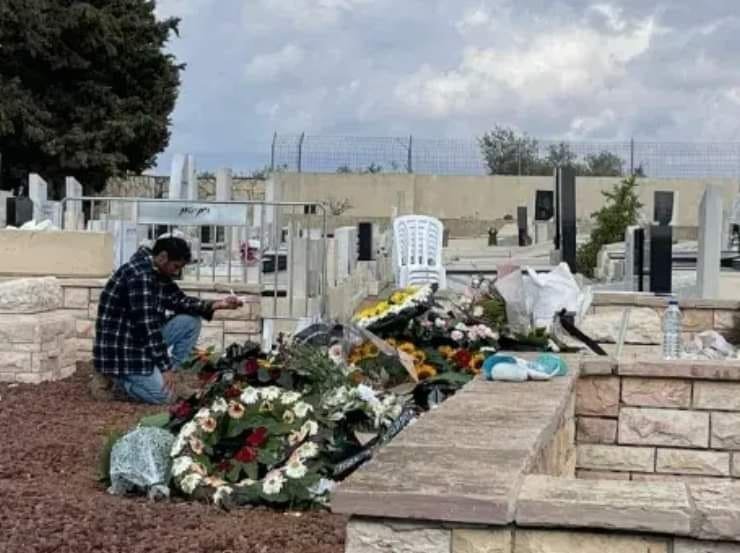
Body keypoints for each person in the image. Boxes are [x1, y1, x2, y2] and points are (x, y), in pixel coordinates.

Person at [92, 236, 242, 404]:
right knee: (167, 397)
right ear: (163, 257)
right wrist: (164, 367)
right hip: (123, 350)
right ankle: (118, 379)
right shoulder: (139, 276)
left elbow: (179, 300)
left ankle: (171, 376)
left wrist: (219, 304)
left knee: (190, 321)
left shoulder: (156, 271)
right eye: (176, 266)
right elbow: (147, 328)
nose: (177, 272)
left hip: (139, 342)